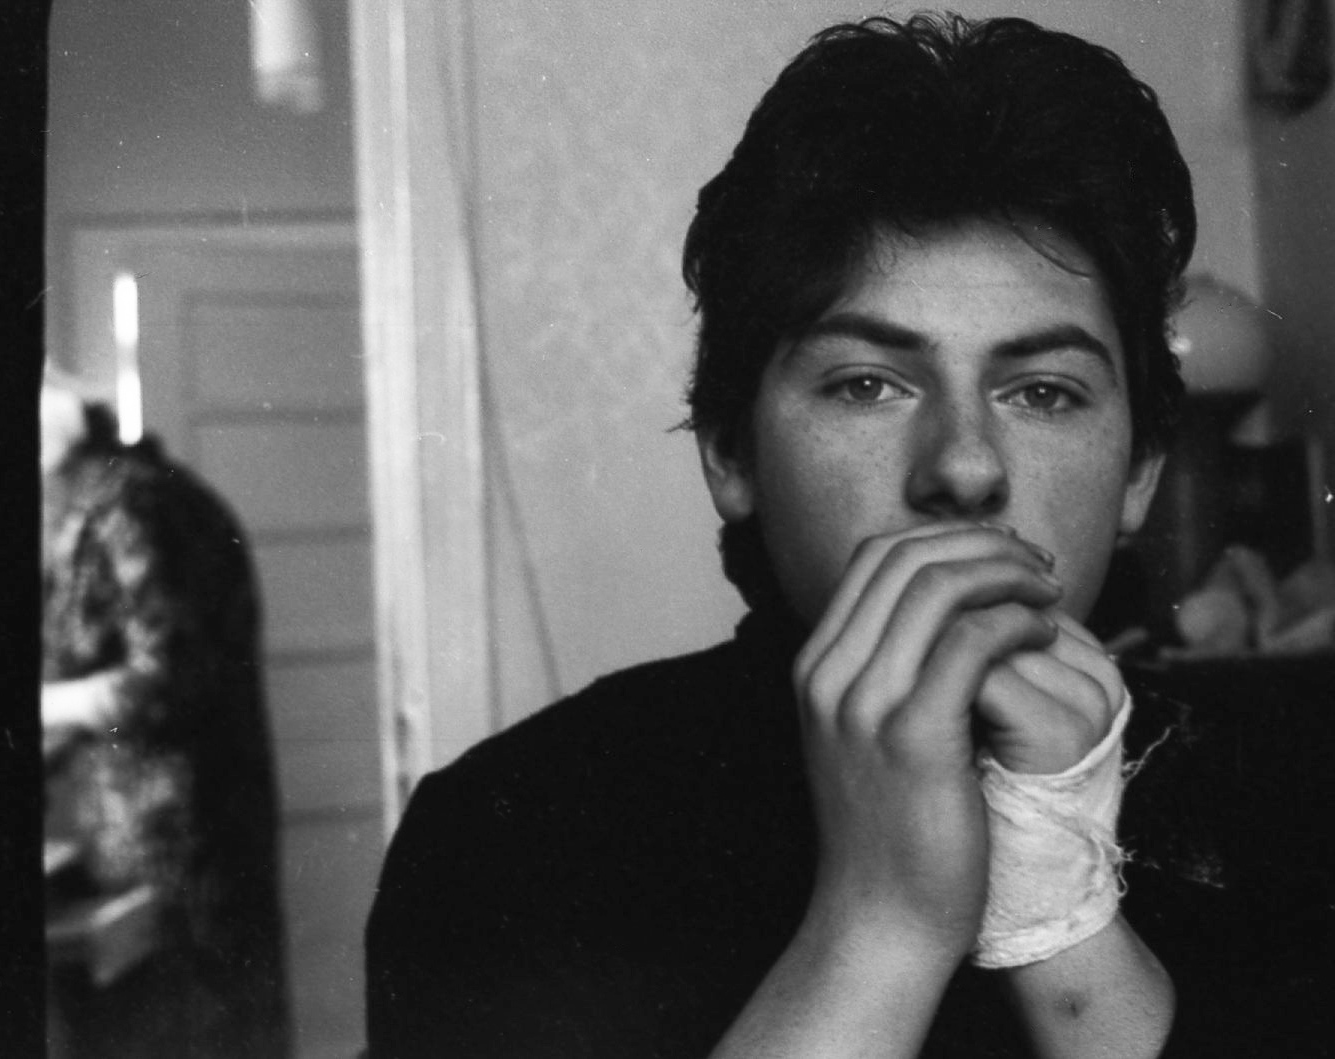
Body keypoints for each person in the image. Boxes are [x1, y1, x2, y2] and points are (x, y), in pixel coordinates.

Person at [366, 13, 1257, 1056]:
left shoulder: (1285, 796)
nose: (965, 466)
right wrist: (882, 922)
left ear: (1139, 471)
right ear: (730, 452)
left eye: (1043, 392)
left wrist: (1060, 911)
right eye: (867, 384)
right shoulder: (509, 826)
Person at [41, 370, 288, 1058]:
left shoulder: (128, 510)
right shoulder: (147, 497)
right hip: (174, 839)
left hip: (174, 850)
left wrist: (41, 708)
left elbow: (167, 682)